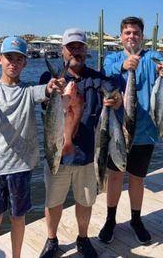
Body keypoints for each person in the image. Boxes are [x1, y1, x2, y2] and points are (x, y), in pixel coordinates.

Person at [0, 36, 64, 258]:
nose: (13, 62)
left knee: (18, 218)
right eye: (9, 57)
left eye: (19, 59)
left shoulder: (28, 91)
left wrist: (52, 86)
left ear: (25, 63)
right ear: (0, 60)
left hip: (21, 166)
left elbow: (45, 91)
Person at [38, 28, 122, 258]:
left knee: (85, 201)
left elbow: (115, 90)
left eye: (80, 47)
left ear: (87, 50)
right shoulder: (50, 79)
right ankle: (52, 239)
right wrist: (53, 91)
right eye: (71, 47)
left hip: (87, 154)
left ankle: (83, 238)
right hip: (57, 154)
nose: (76, 51)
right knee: (53, 201)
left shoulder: (97, 78)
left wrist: (116, 99)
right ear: (62, 50)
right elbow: (44, 102)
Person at [99, 16, 163, 245]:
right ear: (121, 36)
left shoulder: (152, 57)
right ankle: (110, 219)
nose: (131, 36)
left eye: (135, 33)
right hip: (118, 130)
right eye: (127, 33)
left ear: (142, 36)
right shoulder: (113, 58)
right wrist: (123, 66)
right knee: (114, 176)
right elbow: (106, 73)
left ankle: (135, 219)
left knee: (137, 178)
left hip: (144, 131)